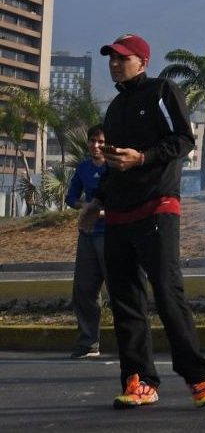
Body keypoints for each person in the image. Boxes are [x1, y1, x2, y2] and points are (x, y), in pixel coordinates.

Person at [78, 33, 205, 409]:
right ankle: (139, 381)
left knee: (168, 292)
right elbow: (113, 163)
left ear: (142, 62)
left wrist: (141, 158)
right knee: (125, 300)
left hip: (158, 206)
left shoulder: (162, 91)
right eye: (110, 58)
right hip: (119, 215)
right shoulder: (115, 110)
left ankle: (197, 378)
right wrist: (96, 201)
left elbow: (183, 140)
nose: (114, 64)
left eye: (122, 58)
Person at [67, 124, 108, 359]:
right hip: (88, 234)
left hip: (111, 234)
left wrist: (103, 212)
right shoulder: (83, 168)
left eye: (101, 141)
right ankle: (88, 343)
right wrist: (86, 207)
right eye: (93, 141)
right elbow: (71, 197)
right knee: (84, 290)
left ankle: (130, 345)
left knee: (122, 290)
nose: (96, 145)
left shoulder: (114, 167)